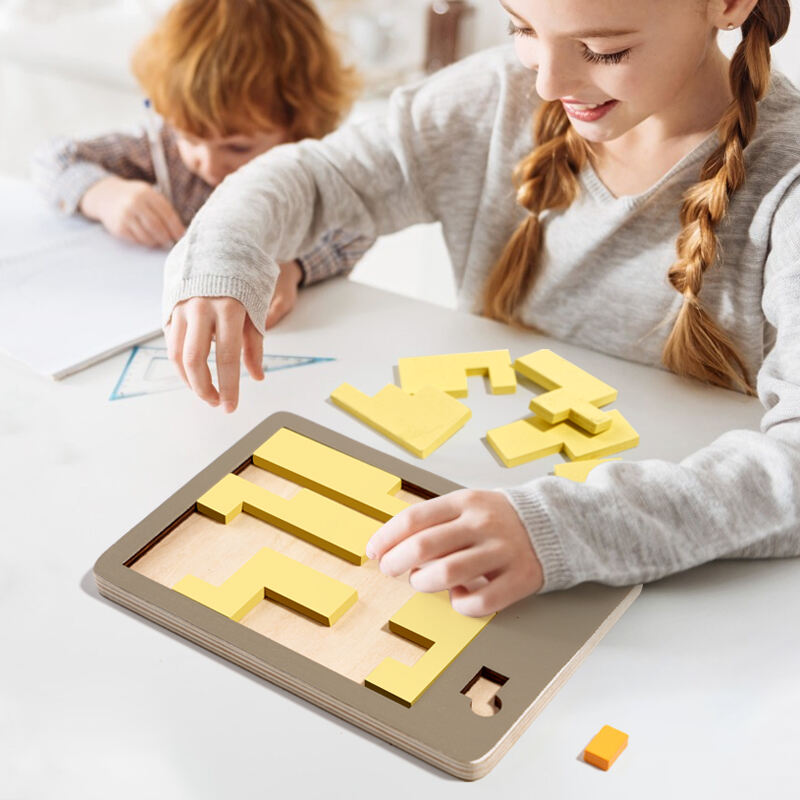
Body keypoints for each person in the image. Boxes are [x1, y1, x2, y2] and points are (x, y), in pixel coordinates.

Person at [160, 0, 800, 614]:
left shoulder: (787, 178)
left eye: (604, 50)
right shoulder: (497, 94)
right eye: (520, 28)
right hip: (474, 491)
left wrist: (566, 528)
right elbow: (319, 174)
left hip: (683, 585)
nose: (549, 82)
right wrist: (224, 254)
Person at [32, 0, 371, 329]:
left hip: (301, 328)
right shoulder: (163, 148)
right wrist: (103, 194)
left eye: (237, 146)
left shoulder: (314, 160)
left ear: (298, 124)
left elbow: (362, 219)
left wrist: (295, 266)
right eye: (190, 138)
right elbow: (54, 159)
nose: (208, 163)